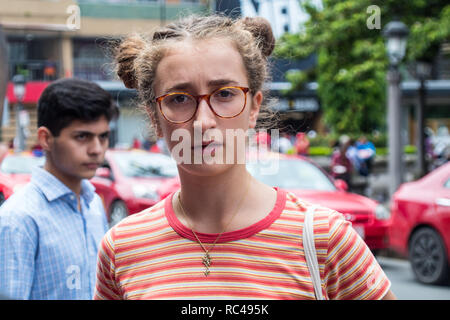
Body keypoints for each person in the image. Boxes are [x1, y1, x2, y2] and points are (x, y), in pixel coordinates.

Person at [94, 14, 395, 300]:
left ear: (253, 108)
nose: (203, 122)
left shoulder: (324, 238)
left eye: (224, 94)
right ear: (155, 117)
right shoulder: (122, 247)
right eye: (179, 99)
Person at [0, 78, 117, 299]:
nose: (96, 149)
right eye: (82, 137)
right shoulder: (18, 219)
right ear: (45, 139)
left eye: (103, 137)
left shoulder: (94, 206)